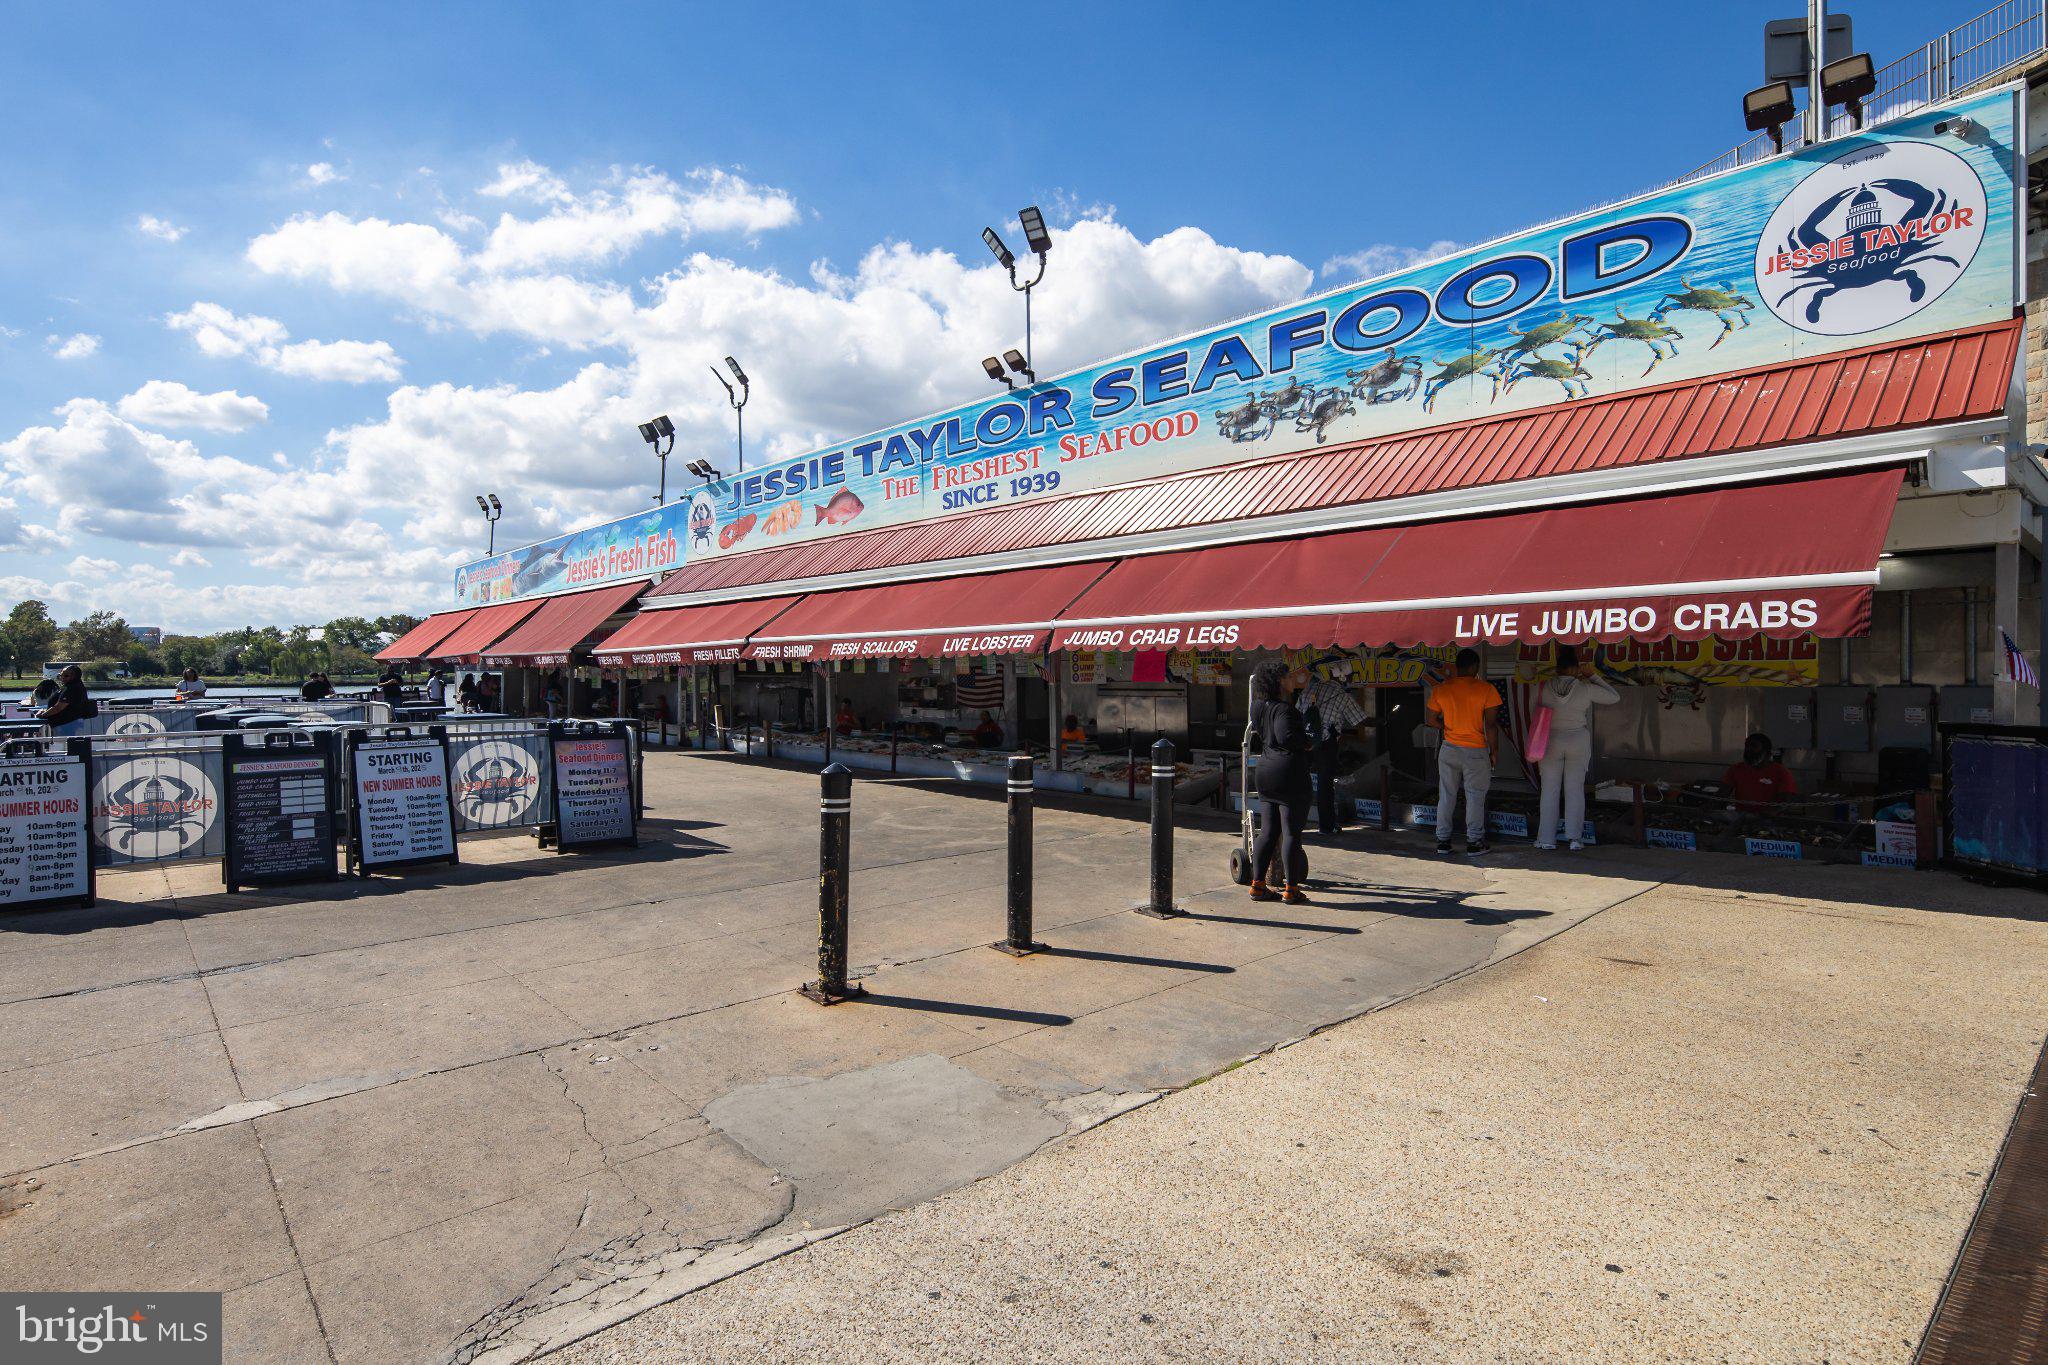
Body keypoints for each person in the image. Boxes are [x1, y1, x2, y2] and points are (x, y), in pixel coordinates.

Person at [1535, 645, 1620, 851]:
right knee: (1574, 790)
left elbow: (1534, 711)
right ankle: (1574, 839)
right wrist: (1592, 676)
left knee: (1549, 790)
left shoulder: (1544, 687)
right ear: (1576, 669)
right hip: (1578, 739)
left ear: (1557, 669)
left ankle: (1546, 839)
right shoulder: (1585, 688)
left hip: (1550, 740)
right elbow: (1614, 697)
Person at [1424, 648, 1501, 855]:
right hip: (1476, 751)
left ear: (1457, 667)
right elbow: (1491, 725)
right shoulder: (1487, 689)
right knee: (1475, 796)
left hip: (1449, 749)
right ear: (1475, 667)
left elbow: (1431, 720)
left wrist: (1447, 726)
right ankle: (1474, 842)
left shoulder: (1441, 689)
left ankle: (1442, 841)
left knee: (1447, 794)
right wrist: (1494, 751)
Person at [1248, 661, 1313, 904]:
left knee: (1268, 831)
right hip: (1289, 773)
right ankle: (1291, 889)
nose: (1291, 680)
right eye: (1287, 676)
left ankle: (1257, 885)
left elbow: (1263, 733)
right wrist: (1307, 742)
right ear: (1279, 681)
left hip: (1265, 771)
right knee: (1292, 832)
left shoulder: (1257, 706)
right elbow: (1287, 736)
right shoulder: (1285, 710)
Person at [1723, 733, 1798, 810]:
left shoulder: (1781, 772)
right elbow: (1722, 794)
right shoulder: (1736, 769)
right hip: (1740, 816)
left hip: (1769, 818)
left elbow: (1785, 801)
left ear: (1766, 752)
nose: (1748, 749)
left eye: (1753, 746)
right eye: (1747, 746)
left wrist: (1767, 813)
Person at [37, 664, 93, 735]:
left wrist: (43, 715)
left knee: (66, 744)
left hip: (67, 723)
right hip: (65, 723)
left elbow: (58, 708)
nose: (62, 678)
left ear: (75, 677)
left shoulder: (72, 689)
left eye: (66, 676)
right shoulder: (69, 687)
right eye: (60, 675)